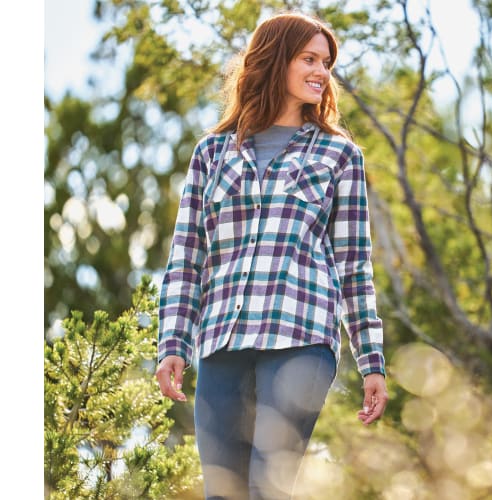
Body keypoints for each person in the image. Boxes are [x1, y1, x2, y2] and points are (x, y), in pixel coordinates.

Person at [155, 11, 388, 499]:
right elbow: (187, 255)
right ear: (275, 59)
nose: (321, 72)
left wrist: (372, 361)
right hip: (222, 338)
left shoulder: (338, 155)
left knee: (268, 487)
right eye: (309, 58)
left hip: (300, 337)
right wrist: (173, 342)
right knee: (224, 492)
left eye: (326, 62)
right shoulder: (212, 153)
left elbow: (353, 266)